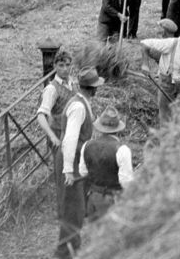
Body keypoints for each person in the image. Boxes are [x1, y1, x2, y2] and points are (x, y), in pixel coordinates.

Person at [56, 67, 103, 259]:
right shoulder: (78, 107)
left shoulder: (82, 102)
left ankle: (74, 247)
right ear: (93, 89)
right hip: (71, 161)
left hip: (77, 160)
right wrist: (68, 170)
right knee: (72, 211)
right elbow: (69, 139)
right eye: (96, 86)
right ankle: (63, 253)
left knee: (78, 207)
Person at [77, 108, 135, 223]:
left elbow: (82, 172)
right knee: (112, 235)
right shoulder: (122, 150)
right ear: (118, 130)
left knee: (95, 235)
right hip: (113, 200)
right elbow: (126, 182)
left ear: (100, 128)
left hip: (93, 198)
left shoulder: (87, 145)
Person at [140, 25, 180, 125]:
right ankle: (165, 137)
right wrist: (145, 65)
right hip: (166, 85)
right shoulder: (171, 44)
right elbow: (145, 44)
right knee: (165, 117)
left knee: (179, 117)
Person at [37, 50, 74, 186]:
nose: (65, 69)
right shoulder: (52, 89)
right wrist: (52, 136)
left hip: (72, 132)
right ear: (55, 66)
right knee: (62, 172)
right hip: (59, 134)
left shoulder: (72, 83)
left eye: (67, 65)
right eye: (61, 65)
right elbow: (41, 115)